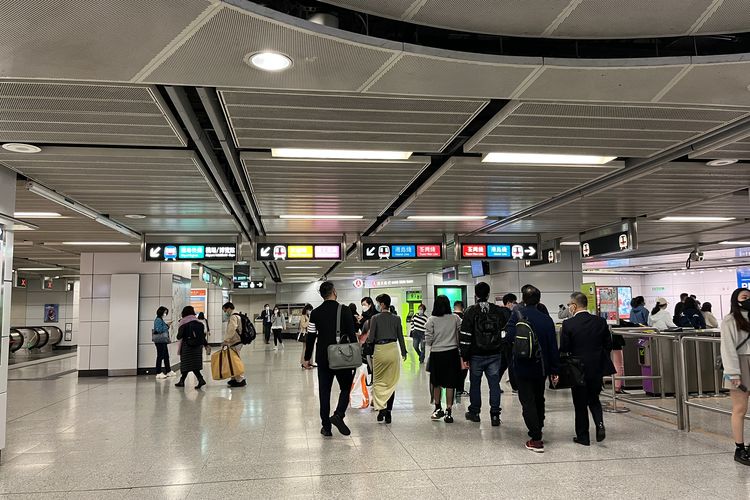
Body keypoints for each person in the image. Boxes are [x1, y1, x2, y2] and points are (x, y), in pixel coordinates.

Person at [506, 285, 560, 453]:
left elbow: (507, 337)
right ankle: (539, 426)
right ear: (539, 300)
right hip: (541, 366)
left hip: (522, 365)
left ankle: (535, 438)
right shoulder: (546, 319)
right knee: (539, 398)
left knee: (527, 400)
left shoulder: (517, 315)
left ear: (523, 299)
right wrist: (554, 369)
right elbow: (553, 347)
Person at [304, 282, 357, 437]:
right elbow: (353, 336)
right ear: (334, 291)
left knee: (324, 392)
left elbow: (311, 337)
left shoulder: (315, 313)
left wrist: (307, 358)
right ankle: (339, 414)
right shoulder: (345, 310)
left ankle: (326, 427)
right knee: (346, 388)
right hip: (343, 357)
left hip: (324, 357)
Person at [560, 292, 613, 446]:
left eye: (570, 304)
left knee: (580, 403)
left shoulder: (569, 324)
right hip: (596, 367)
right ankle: (600, 424)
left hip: (578, 369)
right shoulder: (600, 321)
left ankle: (583, 437)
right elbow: (608, 345)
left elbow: (565, 347)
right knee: (594, 399)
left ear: (574, 306)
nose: (569, 307)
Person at [459, 282, 506, 426]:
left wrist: (465, 356)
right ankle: (495, 415)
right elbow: (503, 330)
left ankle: (474, 412)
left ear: (476, 295)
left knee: (475, 384)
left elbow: (466, 336)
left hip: (476, 355)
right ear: (488, 294)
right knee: (494, 385)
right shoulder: (497, 310)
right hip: (494, 354)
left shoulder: (470, 311)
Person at [365, 294, 407, 424]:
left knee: (378, 382)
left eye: (378, 303)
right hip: (393, 350)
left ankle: (381, 409)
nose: (377, 305)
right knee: (390, 383)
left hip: (380, 351)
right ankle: (389, 412)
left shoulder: (375, 318)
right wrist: (404, 351)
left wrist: (365, 342)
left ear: (382, 304)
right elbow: (400, 336)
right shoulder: (396, 318)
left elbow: (371, 338)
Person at [720, 288, 750, 466]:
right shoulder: (730, 320)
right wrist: (733, 373)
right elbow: (728, 348)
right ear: (736, 300)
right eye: (744, 297)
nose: (748, 300)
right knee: (740, 408)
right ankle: (739, 448)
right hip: (739, 364)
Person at [425, 295, 462, 423]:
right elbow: (460, 335)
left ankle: (437, 408)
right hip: (452, 354)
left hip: (437, 354)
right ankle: (449, 411)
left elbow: (428, 340)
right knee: (450, 383)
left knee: (436, 383)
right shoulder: (455, 318)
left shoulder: (431, 320)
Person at [175, 306, 209, 389]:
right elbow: (202, 336)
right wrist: (206, 345)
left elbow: (179, 336)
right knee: (193, 364)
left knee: (186, 364)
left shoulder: (184, 322)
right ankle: (183, 380)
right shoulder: (199, 322)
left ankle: (185, 381)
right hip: (198, 347)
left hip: (187, 346)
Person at [222, 302, 246, 387]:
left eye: (225, 310)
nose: (225, 312)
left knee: (236, 361)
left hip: (235, 341)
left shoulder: (233, 317)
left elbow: (232, 329)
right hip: (237, 341)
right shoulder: (237, 314)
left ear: (228, 308)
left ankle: (240, 379)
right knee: (233, 360)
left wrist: (226, 340)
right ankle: (234, 378)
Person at [498, 293, 518, 392]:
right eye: (514, 302)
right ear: (509, 302)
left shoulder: (499, 311)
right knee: (511, 364)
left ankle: (494, 384)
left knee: (503, 364)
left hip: (501, 342)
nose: (515, 304)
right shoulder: (508, 313)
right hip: (508, 342)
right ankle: (515, 387)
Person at [153, 306, 175, 379]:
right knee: (160, 356)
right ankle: (158, 372)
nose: (165, 314)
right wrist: (167, 326)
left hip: (163, 341)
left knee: (166, 356)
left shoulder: (160, 319)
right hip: (160, 341)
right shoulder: (158, 320)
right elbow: (159, 330)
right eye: (165, 312)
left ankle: (168, 371)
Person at [299, 304, 313, 369]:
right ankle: (304, 363)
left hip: (310, 333)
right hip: (305, 334)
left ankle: (309, 362)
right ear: (306, 310)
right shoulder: (303, 316)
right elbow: (304, 325)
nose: (310, 311)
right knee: (305, 349)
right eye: (309, 310)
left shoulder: (309, 315)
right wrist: (309, 320)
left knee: (310, 349)